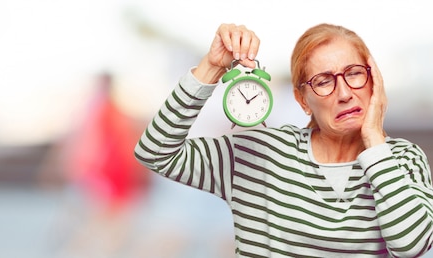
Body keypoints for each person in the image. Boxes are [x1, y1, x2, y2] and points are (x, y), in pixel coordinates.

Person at [134, 23, 433, 257]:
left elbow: (413, 246)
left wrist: (374, 140)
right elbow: (155, 151)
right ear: (302, 101)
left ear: (374, 82)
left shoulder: (404, 160)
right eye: (324, 81)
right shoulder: (260, 153)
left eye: (355, 74)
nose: (344, 93)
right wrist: (211, 67)